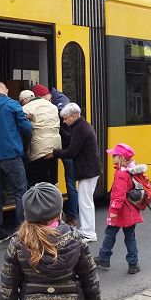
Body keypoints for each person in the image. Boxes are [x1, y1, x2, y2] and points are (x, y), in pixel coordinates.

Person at [0, 82, 32, 243]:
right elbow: (27, 128)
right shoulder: (12, 105)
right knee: (20, 192)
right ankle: (20, 232)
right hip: (11, 156)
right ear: (7, 91)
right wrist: (28, 121)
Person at [52, 103, 102, 243]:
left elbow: (72, 151)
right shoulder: (81, 126)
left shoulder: (80, 128)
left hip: (88, 170)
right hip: (90, 169)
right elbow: (74, 142)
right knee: (86, 201)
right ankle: (86, 229)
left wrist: (56, 153)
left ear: (74, 116)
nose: (64, 121)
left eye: (65, 118)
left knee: (85, 202)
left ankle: (89, 233)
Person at [93, 143, 144, 274]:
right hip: (130, 211)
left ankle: (104, 258)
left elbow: (119, 194)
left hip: (120, 211)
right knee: (130, 237)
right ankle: (133, 264)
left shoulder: (121, 174)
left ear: (121, 158)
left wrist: (114, 211)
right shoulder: (129, 171)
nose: (112, 157)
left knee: (110, 234)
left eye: (114, 155)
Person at [40, 85, 78, 225]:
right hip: (57, 147)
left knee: (70, 183)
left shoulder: (60, 101)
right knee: (53, 181)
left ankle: (72, 216)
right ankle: (56, 215)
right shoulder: (55, 100)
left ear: (47, 94)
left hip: (65, 148)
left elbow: (63, 126)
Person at [20, 88, 61, 186]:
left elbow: (24, 128)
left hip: (39, 148)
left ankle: (40, 199)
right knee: (47, 176)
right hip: (55, 147)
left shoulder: (26, 108)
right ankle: (53, 196)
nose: (21, 104)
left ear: (24, 100)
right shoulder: (52, 106)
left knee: (34, 178)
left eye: (21, 102)